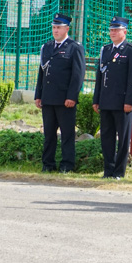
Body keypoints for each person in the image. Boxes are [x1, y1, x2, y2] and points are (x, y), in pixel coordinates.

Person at [34, 12, 85, 173]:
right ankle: (48, 164)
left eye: (59, 28)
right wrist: (38, 95)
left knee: (67, 135)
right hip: (48, 98)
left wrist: (72, 96)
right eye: (54, 27)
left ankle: (67, 165)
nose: (55, 31)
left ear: (66, 29)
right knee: (49, 134)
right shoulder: (47, 47)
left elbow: (78, 75)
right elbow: (42, 72)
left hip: (65, 100)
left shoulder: (74, 47)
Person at [92, 17, 132, 180]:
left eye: (116, 30)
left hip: (122, 103)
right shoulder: (105, 50)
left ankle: (119, 172)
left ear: (124, 32)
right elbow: (99, 76)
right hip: (106, 101)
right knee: (106, 137)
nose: (113, 33)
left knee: (123, 139)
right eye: (111, 30)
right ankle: (108, 170)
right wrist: (96, 99)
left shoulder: (131, 50)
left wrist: (129, 101)